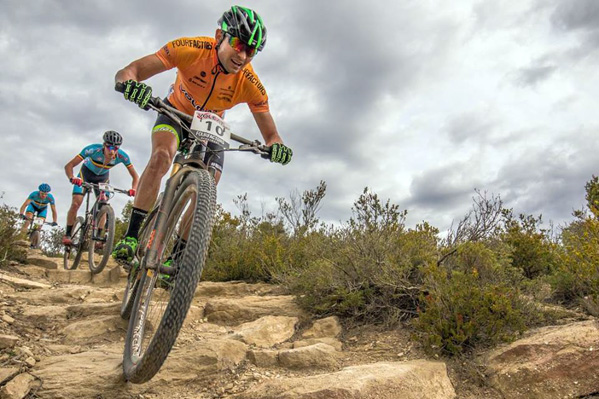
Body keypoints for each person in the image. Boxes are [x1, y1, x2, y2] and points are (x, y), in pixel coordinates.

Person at [112, 5, 293, 261]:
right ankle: (130, 236)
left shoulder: (250, 83)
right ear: (220, 36)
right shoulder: (191, 49)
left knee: (210, 183)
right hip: (175, 113)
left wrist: (276, 146)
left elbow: (271, 135)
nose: (243, 56)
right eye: (240, 44)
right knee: (162, 156)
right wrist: (130, 84)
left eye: (252, 51)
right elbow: (130, 71)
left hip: (211, 127)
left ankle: (179, 257)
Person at [62, 130, 139, 245]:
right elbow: (69, 166)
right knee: (76, 203)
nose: (112, 150)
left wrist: (133, 189)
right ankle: (68, 233)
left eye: (115, 148)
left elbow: (135, 176)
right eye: (109, 146)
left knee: (103, 203)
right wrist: (72, 177)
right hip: (85, 175)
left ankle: (98, 236)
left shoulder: (123, 156)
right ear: (104, 145)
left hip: (102, 178)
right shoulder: (92, 149)